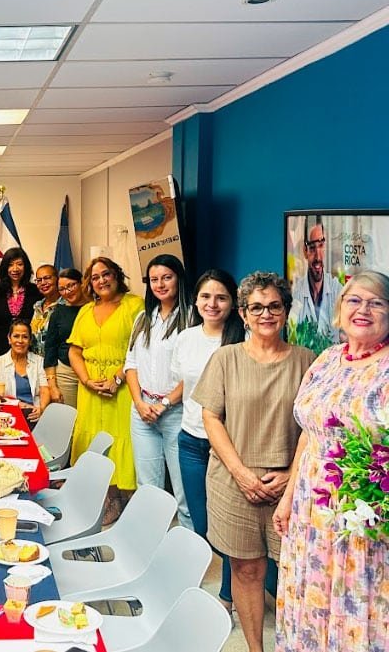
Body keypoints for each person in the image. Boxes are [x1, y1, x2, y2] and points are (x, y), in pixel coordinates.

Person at [192, 271, 315, 652]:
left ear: (286, 311)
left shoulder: (307, 361)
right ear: (243, 314)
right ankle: (254, 648)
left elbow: (314, 427)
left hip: (289, 488)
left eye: (274, 306)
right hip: (234, 483)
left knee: (294, 573)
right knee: (246, 570)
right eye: (256, 307)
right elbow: (211, 418)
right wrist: (243, 474)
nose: (266, 314)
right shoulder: (225, 359)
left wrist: (290, 475)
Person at [274, 270, 389, 652]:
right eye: (354, 300)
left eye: (376, 302)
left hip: (363, 520)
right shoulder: (326, 360)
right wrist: (288, 497)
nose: (363, 309)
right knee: (311, 601)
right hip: (310, 513)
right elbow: (309, 432)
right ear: (340, 309)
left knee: (356, 603)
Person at [171, 269, 246, 615]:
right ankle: (198, 584)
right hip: (190, 442)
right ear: (195, 300)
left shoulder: (242, 341)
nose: (212, 304)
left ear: (233, 303)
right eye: (205, 296)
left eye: (221, 297)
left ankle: (228, 598)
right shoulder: (185, 338)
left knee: (230, 529)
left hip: (230, 447)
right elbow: (185, 388)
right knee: (202, 525)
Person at [68, 257, 144, 524]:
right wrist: (87, 380)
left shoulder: (135, 306)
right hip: (90, 390)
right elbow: (74, 350)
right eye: (96, 277)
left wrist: (118, 378)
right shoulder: (85, 311)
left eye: (106, 274)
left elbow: (140, 349)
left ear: (117, 275)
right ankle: (108, 497)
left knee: (122, 442)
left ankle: (128, 501)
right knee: (95, 442)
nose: (101, 280)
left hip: (122, 388)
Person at [124, 254, 192, 528]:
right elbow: (131, 365)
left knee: (183, 490)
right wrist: (140, 404)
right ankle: (149, 543)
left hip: (176, 412)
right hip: (142, 411)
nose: (160, 284)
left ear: (178, 279)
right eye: (154, 279)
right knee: (147, 486)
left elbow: (195, 372)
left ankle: (189, 548)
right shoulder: (144, 318)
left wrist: (165, 403)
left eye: (167, 277)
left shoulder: (192, 318)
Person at [0, 247, 42, 362]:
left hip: (29, 352)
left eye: (19, 264)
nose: (15, 269)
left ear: (26, 267)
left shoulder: (35, 292)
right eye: (10, 265)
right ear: (4, 268)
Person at [290, 215, 341, 347]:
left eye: (321, 246)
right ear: (305, 251)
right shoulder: (295, 294)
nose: (318, 257)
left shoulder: (338, 290)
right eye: (312, 248)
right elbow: (291, 335)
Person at [0, 320, 50, 423]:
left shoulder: (39, 361)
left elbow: (44, 390)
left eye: (25, 337)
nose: (20, 341)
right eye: (16, 336)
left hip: (35, 414)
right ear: (9, 339)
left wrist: (41, 409)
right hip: (7, 415)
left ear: (30, 341)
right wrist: (24, 406)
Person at [44, 269, 86, 407]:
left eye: (71, 285)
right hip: (66, 373)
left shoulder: (94, 308)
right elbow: (50, 349)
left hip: (92, 371)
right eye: (62, 289)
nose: (67, 292)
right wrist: (53, 386)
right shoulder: (58, 312)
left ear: (82, 283)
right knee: (69, 419)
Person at [30, 264, 63, 357]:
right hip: (36, 364)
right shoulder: (37, 307)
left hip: (57, 364)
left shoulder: (65, 306)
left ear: (57, 279)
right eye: (39, 280)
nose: (43, 283)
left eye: (47, 278)